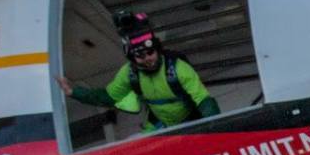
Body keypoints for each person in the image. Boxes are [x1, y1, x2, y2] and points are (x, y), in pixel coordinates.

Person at [56, 11, 219, 133]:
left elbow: (204, 100)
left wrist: (215, 128)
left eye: (151, 52)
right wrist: (74, 92)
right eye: (140, 55)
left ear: (157, 49)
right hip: (159, 124)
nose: (148, 58)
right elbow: (108, 97)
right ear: (131, 58)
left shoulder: (177, 68)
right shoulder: (129, 73)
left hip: (192, 120)